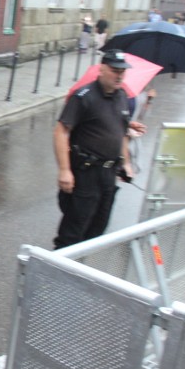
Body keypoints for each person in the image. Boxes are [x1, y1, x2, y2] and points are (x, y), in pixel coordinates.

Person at [53, 50, 134, 250]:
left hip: (108, 174)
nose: (120, 76)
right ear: (102, 69)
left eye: (123, 72)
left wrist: (126, 162)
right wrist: (64, 170)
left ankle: (81, 273)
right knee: (73, 231)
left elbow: (121, 131)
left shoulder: (122, 96)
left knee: (97, 229)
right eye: (115, 71)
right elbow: (61, 132)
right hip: (86, 173)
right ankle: (58, 276)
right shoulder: (84, 97)